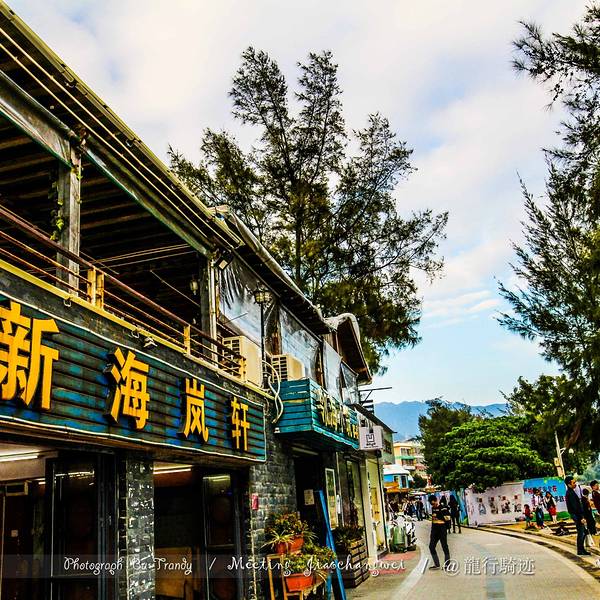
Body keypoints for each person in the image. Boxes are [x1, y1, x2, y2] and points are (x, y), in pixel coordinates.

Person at [565, 475, 590, 555]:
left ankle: (581, 549)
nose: (575, 484)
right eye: (573, 482)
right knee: (581, 533)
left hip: (576, 515)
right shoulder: (570, 493)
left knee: (583, 532)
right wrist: (581, 517)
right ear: (569, 484)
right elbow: (575, 507)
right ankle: (580, 550)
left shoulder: (571, 492)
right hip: (577, 515)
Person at [428, 494, 451, 570]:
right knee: (431, 546)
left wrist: (446, 528)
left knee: (444, 546)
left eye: (434, 503)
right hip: (434, 530)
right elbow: (433, 520)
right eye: (431, 504)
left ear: (436, 500)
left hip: (442, 529)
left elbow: (448, 519)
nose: (433, 505)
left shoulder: (443, 508)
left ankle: (447, 564)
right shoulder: (433, 508)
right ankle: (437, 564)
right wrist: (432, 531)